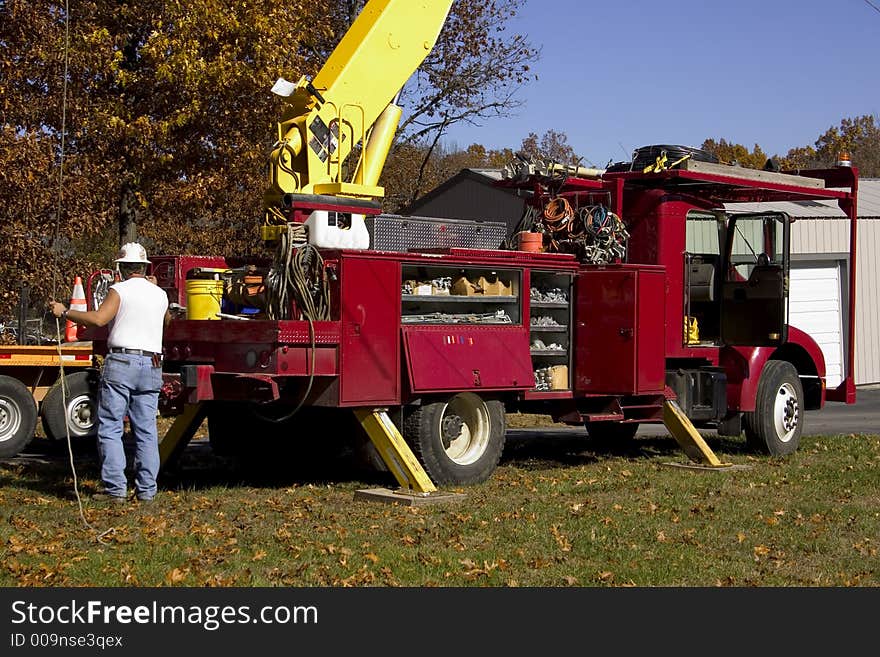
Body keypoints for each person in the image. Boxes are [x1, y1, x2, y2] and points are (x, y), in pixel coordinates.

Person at [50, 242, 170, 504]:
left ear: (122, 269)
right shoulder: (160, 294)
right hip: (151, 363)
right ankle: (147, 491)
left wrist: (66, 312)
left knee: (111, 427)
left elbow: (98, 319)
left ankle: (115, 489)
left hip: (122, 362)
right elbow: (167, 320)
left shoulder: (119, 290)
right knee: (146, 430)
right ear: (144, 267)